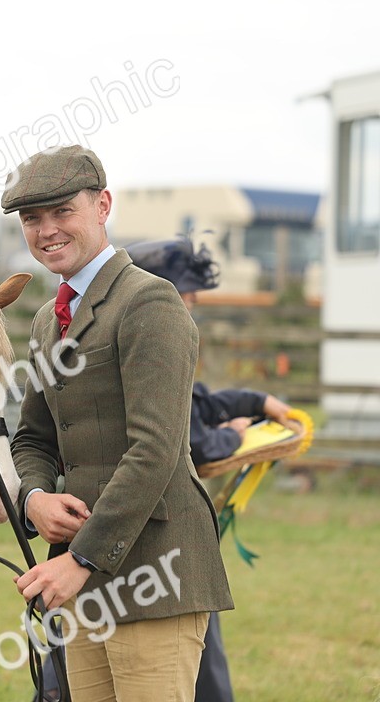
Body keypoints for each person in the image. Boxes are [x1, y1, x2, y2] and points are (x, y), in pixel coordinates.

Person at [2, 145, 233, 702]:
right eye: (32, 219)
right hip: (82, 580)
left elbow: (155, 450)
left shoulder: (149, 302)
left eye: (62, 212)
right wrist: (33, 498)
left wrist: (79, 561)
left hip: (156, 571)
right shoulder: (44, 321)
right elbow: (32, 437)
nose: (46, 230)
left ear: (103, 205)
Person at [123, 235, 303, 702]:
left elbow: (197, 402)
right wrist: (238, 436)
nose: (193, 305)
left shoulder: (136, 331)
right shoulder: (145, 335)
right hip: (156, 540)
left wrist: (257, 401)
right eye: (187, 294)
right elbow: (190, 441)